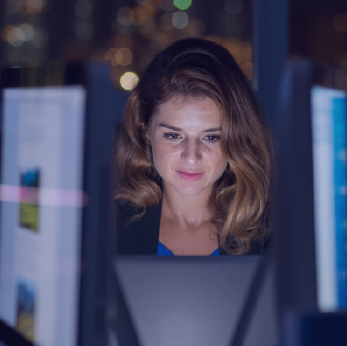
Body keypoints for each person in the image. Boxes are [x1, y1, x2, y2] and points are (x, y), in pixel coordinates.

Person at [114, 38, 271, 256]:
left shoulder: (273, 232)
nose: (191, 157)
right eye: (173, 135)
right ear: (145, 131)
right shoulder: (107, 229)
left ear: (238, 137)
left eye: (211, 138)